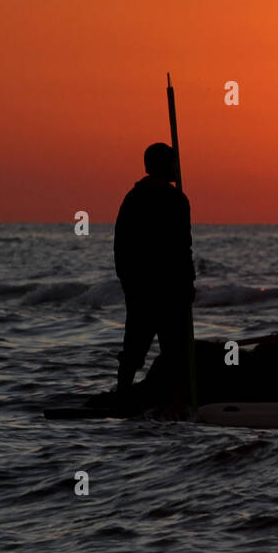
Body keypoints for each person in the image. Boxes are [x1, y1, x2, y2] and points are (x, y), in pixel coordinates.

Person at [114, 142, 195, 407]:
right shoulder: (173, 200)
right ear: (163, 165)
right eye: (173, 162)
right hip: (164, 290)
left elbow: (121, 247)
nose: (177, 167)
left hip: (145, 289)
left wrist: (129, 283)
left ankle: (127, 393)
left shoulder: (134, 198)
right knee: (173, 349)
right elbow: (182, 249)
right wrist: (186, 285)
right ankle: (171, 397)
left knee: (139, 346)